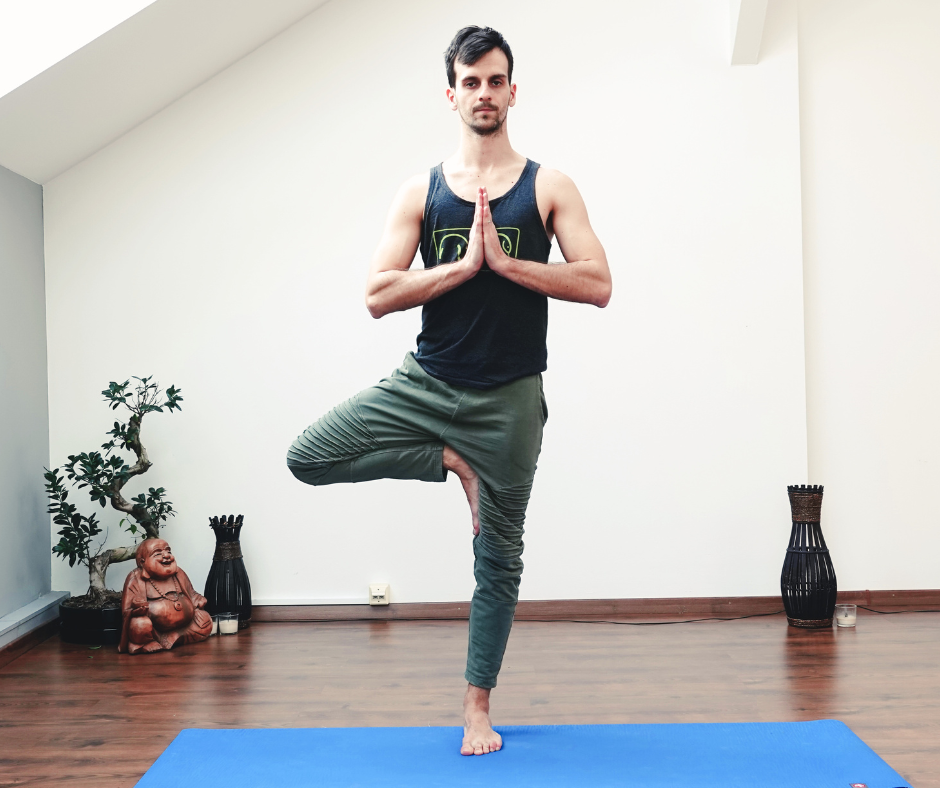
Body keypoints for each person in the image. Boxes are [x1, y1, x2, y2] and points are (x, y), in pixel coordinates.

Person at [287, 25, 611, 755]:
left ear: (512, 90)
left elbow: (598, 283)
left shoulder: (548, 187)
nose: (485, 93)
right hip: (428, 383)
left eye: (496, 81)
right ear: (452, 94)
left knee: (498, 558)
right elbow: (376, 294)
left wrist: (507, 263)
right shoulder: (423, 190)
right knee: (307, 456)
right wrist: (460, 269)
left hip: (510, 402)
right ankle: (448, 461)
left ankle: (476, 708)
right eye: (472, 82)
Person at [118, 538, 213, 654]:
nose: (166, 556)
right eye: (158, 553)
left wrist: (197, 599)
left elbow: (191, 593)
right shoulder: (136, 578)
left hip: (184, 626)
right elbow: (126, 611)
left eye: (168, 551)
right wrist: (136, 610)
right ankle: (147, 642)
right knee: (139, 624)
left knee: (205, 619)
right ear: (142, 562)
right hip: (154, 631)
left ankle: (174, 636)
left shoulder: (179, 573)